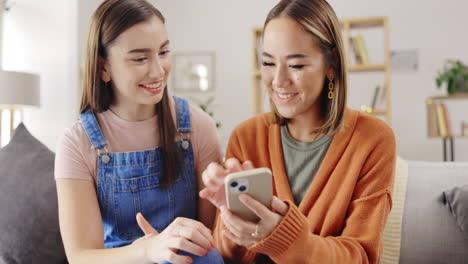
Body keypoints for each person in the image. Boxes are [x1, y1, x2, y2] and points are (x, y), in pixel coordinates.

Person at [199, 0, 396, 263]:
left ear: (331, 63)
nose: (278, 81)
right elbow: (226, 255)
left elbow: (361, 255)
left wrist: (285, 239)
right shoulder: (246, 137)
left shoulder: (372, 138)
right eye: (268, 63)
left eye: (296, 66)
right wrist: (231, 213)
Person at [54, 0, 224, 263]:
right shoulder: (78, 142)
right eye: (140, 58)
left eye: (164, 52)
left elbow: (213, 235)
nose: (158, 70)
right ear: (103, 67)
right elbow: (81, 256)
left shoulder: (197, 126)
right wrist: (149, 249)